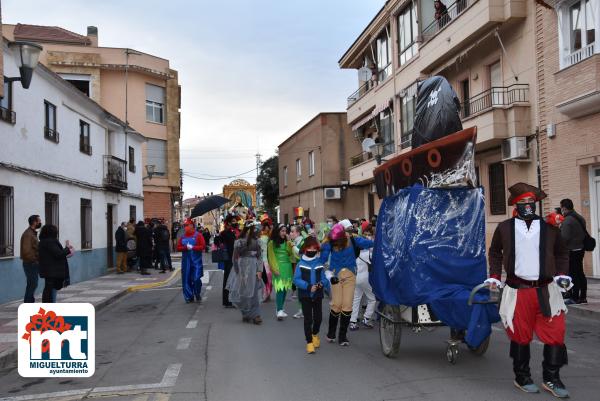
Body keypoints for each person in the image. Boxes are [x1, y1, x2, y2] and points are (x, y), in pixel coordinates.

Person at [487, 183, 571, 398]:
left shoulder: (550, 229)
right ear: (515, 205)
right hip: (518, 291)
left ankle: (552, 378)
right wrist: (495, 276)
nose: (527, 206)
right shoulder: (504, 228)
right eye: (522, 203)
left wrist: (562, 273)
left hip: (547, 290)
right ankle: (522, 376)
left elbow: (562, 253)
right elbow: (495, 252)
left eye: (531, 202)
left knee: (556, 333)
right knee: (520, 336)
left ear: (536, 204)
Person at [320, 223, 374, 346]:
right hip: (335, 276)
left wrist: (383, 240)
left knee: (347, 305)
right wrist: (327, 275)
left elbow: (370, 243)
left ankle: (343, 336)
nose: (336, 245)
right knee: (337, 304)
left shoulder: (353, 240)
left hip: (350, 276)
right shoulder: (329, 243)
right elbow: (321, 261)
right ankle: (331, 333)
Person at [293, 236, 330, 354]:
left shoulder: (319, 263)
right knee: (308, 319)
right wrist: (308, 286)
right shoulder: (300, 264)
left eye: (314, 248)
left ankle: (315, 334)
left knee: (318, 318)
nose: (312, 250)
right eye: (309, 248)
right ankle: (309, 342)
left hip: (318, 294)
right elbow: (296, 280)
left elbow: (324, 278)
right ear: (305, 249)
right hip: (305, 295)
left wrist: (321, 284)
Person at [226, 220, 264, 324]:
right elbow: (234, 258)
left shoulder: (257, 241)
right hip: (242, 268)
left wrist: (260, 270)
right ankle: (246, 313)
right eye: (256, 228)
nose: (258, 231)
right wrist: (238, 272)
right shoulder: (240, 242)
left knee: (254, 292)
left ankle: (256, 315)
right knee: (243, 293)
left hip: (254, 269)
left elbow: (260, 257)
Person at [559, 198, 588, 305]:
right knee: (580, 273)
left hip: (572, 250)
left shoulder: (567, 220)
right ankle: (583, 296)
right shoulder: (580, 217)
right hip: (581, 248)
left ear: (564, 208)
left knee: (573, 274)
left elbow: (564, 238)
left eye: (561, 208)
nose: (561, 210)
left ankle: (574, 297)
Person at [350, 224, 377, 331]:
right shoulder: (371, 251)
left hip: (356, 277)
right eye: (366, 234)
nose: (367, 236)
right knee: (372, 299)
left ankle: (353, 322)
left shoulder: (357, 251)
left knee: (356, 300)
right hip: (366, 278)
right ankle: (366, 318)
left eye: (369, 234)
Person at [38, 224, 74, 303]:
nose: (57, 233)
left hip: (49, 270)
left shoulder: (43, 241)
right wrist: (67, 248)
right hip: (52, 271)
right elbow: (58, 254)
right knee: (51, 291)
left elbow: (54, 255)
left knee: (50, 290)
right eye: (55, 231)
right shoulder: (50, 242)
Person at [267, 224, 294, 320]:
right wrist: (274, 268)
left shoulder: (287, 242)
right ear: (277, 231)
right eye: (282, 231)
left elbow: (291, 253)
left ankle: (280, 308)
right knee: (279, 289)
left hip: (287, 267)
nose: (284, 233)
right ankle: (279, 310)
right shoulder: (271, 243)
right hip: (278, 267)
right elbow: (270, 257)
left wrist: (290, 242)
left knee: (285, 289)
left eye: (285, 231)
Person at [177, 219, 205, 303]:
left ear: (192, 226)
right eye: (184, 226)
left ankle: (197, 293)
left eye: (186, 225)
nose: (185, 227)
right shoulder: (183, 237)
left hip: (196, 262)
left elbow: (203, 246)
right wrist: (185, 248)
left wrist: (193, 247)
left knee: (196, 279)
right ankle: (189, 296)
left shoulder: (198, 235)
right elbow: (178, 248)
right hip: (186, 262)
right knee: (186, 279)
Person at [215, 216, 237, 307]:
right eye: (232, 221)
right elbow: (217, 242)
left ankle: (229, 300)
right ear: (228, 223)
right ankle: (227, 301)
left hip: (232, 257)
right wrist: (218, 237)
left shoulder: (230, 232)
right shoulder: (225, 233)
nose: (234, 223)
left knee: (231, 279)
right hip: (228, 258)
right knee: (228, 279)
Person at [20, 215, 42, 303]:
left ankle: (29, 302)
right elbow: (26, 251)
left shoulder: (32, 233)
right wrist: (35, 260)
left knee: (32, 284)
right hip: (30, 263)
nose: (40, 223)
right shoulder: (28, 234)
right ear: (34, 222)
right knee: (32, 284)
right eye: (39, 221)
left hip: (32, 263)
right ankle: (28, 303)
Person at [259, 217, 273, 302]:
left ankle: (268, 293)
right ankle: (267, 293)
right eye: (265, 225)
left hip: (268, 260)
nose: (266, 227)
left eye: (268, 225)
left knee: (268, 277)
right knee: (264, 277)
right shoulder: (260, 236)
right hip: (262, 260)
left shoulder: (271, 237)